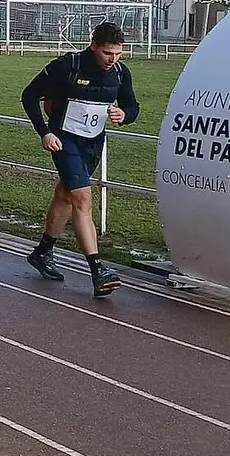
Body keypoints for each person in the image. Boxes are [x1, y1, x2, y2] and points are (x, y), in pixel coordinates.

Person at [20, 21, 140, 298]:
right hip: (64, 141)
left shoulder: (120, 73)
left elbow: (132, 105)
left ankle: (42, 252)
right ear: (93, 46)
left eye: (118, 53)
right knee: (83, 198)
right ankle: (98, 270)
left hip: (93, 144)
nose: (112, 59)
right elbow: (29, 95)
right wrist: (44, 132)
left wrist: (125, 115)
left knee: (66, 194)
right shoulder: (68, 66)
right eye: (107, 53)